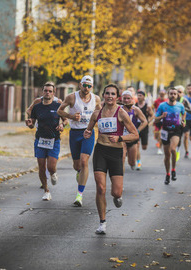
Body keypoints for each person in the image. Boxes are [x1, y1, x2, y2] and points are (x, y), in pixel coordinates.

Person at [84, 84, 139, 235]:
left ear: (117, 97)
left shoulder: (121, 114)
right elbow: (88, 130)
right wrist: (87, 133)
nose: (109, 96)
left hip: (116, 153)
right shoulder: (97, 114)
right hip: (101, 150)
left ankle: (117, 196)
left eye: (112, 94)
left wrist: (120, 137)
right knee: (101, 188)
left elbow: (135, 134)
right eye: (107, 93)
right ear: (103, 95)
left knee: (116, 192)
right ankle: (102, 222)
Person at [57, 75, 101, 207]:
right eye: (84, 85)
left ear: (91, 87)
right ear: (80, 85)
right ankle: (78, 172)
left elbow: (100, 115)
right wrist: (71, 116)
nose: (86, 88)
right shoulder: (71, 97)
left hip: (88, 132)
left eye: (89, 86)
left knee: (84, 161)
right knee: (77, 165)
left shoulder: (96, 99)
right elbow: (60, 111)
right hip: (75, 133)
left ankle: (79, 195)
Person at [26, 82, 67, 201]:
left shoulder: (58, 106)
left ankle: (53, 173)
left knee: (51, 167)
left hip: (54, 140)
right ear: (42, 92)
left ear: (53, 93)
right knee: (41, 167)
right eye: (45, 90)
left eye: (50, 91)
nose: (47, 93)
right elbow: (32, 124)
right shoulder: (37, 107)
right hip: (40, 140)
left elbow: (65, 120)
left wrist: (62, 125)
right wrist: (29, 124)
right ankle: (46, 191)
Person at [154, 88, 186, 184]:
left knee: (173, 149)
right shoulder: (162, 106)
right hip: (165, 131)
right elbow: (155, 120)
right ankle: (167, 174)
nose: (173, 95)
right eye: (171, 93)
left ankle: (173, 170)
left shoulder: (180, 106)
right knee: (167, 155)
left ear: (177, 96)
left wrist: (183, 121)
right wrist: (161, 117)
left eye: (174, 94)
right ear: (168, 95)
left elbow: (184, 114)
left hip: (176, 130)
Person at [121, 90, 147, 171]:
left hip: (132, 137)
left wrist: (137, 131)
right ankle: (119, 178)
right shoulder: (118, 109)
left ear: (132, 99)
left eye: (128, 98)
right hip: (121, 137)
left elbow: (145, 121)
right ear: (121, 99)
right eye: (124, 98)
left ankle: (132, 161)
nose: (126, 100)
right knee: (121, 160)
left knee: (132, 162)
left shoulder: (136, 110)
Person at [135, 90, 154, 170]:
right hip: (136, 127)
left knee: (144, 147)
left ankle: (138, 158)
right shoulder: (134, 106)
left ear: (144, 97)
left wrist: (148, 121)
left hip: (144, 127)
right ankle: (138, 161)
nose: (139, 97)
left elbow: (152, 115)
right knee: (137, 145)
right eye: (138, 95)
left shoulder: (147, 107)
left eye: (140, 95)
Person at [175, 85, 191, 161]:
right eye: (177, 92)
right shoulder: (172, 100)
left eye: (180, 92)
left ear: (182, 93)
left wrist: (183, 108)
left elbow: (190, 110)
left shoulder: (184, 100)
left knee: (184, 136)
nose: (179, 93)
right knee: (176, 138)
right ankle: (176, 150)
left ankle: (180, 151)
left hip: (182, 122)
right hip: (173, 121)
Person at [153, 89, 168, 155]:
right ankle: (158, 141)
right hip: (157, 119)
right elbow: (152, 107)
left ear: (165, 94)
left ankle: (159, 148)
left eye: (163, 94)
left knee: (160, 134)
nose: (162, 95)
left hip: (164, 120)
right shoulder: (156, 101)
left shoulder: (167, 101)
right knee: (156, 135)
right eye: (161, 94)